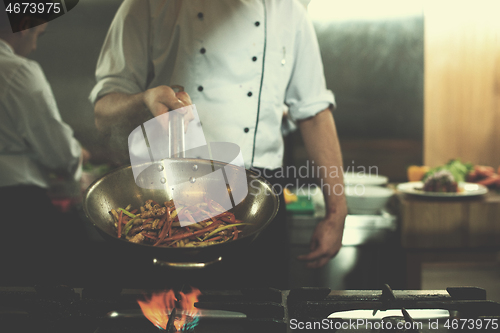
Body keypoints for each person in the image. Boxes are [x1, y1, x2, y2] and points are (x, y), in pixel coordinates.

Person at [90, 0, 347, 288]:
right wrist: (144, 101)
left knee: (262, 315)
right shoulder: (149, 4)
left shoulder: (288, 10)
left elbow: (314, 114)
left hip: (259, 204)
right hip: (172, 195)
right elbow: (104, 113)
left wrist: (336, 212)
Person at [0, 11, 89, 284]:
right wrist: (77, 159)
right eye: (38, 34)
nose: (36, 46)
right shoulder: (16, 71)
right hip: (17, 209)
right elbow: (59, 154)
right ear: (24, 26)